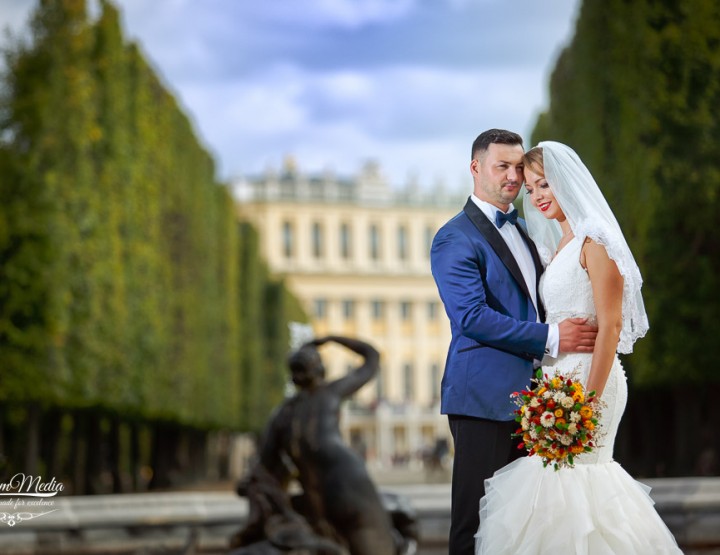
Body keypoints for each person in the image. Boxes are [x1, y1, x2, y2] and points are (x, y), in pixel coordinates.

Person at [474, 141, 681, 553]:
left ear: (566, 181)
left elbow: (612, 325)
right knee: (551, 496)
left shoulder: (595, 239)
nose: (537, 196)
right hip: (554, 387)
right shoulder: (560, 246)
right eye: (531, 189)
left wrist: (588, 401)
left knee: (583, 485)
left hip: (591, 383)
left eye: (544, 184)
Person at [430, 129, 598, 555]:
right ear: (476, 168)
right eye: (501, 166)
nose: (511, 176)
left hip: (535, 403)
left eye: (517, 167)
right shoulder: (454, 237)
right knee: (475, 524)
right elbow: (471, 318)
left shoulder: (524, 229)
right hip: (483, 400)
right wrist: (554, 336)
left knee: (526, 527)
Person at [231, 335, 400, 555]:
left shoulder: (283, 413)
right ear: (320, 369)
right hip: (349, 487)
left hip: (320, 496)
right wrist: (331, 339)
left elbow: (264, 466)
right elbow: (372, 357)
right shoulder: (330, 393)